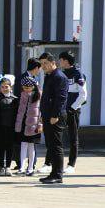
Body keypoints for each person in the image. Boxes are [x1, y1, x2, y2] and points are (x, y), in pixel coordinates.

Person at [38, 53, 70, 184]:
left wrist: (54, 115)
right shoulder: (49, 76)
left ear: (53, 62)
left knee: (56, 145)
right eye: (42, 64)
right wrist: (42, 114)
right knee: (50, 145)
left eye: (45, 63)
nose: (43, 66)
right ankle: (53, 173)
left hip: (55, 116)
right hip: (48, 115)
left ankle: (58, 175)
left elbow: (61, 98)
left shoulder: (59, 77)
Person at [58, 52, 88, 169]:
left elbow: (83, 95)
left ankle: (71, 165)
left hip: (72, 110)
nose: (59, 62)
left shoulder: (78, 74)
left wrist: (72, 107)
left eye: (60, 60)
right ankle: (49, 163)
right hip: (61, 110)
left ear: (66, 61)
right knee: (56, 136)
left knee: (73, 137)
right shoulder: (61, 73)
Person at [15, 72, 43, 176]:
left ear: (33, 86)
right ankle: (21, 167)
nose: (26, 89)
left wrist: (40, 124)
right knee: (23, 145)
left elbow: (41, 112)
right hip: (23, 124)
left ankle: (30, 167)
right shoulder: (22, 95)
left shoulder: (38, 95)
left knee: (31, 147)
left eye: (28, 87)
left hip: (33, 125)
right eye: (24, 87)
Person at [0, 76, 18, 176]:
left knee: (10, 147)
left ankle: (8, 166)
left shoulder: (15, 99)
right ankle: (1, 167)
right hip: (0, 127)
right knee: (0, 147)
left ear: (10, 87)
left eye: (6, 86)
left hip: (11, 127)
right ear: (0, 88)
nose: (4, 88)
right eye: (2, 87)